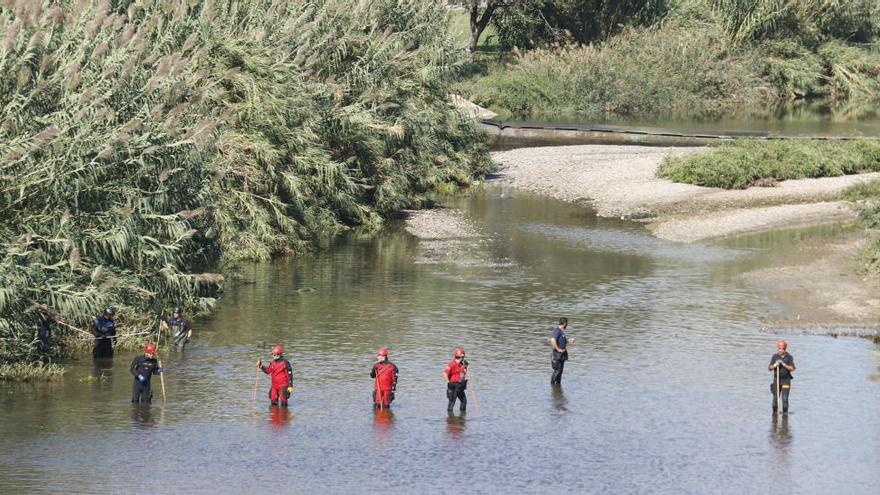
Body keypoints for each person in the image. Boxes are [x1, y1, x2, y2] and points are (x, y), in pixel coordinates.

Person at [769, 339, 796, 413]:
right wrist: (774, 365)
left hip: (786, 380)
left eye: (783, 348)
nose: (781, 350)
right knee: (775, 400)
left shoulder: (789, 357)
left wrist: (783, 364)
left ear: (785, 348)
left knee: (784, 400)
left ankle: (785, 417)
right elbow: (769, 368)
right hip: (776, 380)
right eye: (779, 348)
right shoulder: (775, 356)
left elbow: (793, 368)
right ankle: (774, 417)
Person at [443, 348, 468, 413]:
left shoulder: (461, 365)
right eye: (463, 356)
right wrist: (448, 382)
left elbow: (462, 375)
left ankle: (462, 417)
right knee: (452, 402)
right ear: (461, 356)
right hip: (453, 385)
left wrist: (465, 367)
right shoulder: (452, 364)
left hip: (459, 386)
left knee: (464, 401)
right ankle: (450, 418)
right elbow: (445, 373)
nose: (463, 358)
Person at [550, 317, 574, 385]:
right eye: (567, 324)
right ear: (564, 324)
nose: (567, 326)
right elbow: (552, 340)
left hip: (561, 355)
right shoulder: (557, 331)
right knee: (557, 371)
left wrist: (568, 341)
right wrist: (558, 349)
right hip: (557, 355)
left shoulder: (561, 332)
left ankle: (558, 388)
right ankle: (553, 387)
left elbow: (561, 340)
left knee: (560, 372)